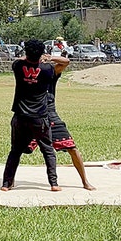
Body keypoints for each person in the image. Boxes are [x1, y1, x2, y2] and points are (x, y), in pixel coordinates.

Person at [27, 52, 96, 190]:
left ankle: (85, 181)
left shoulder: (50, 72)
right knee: (18, 149)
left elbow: (66, 62)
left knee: (72, 148)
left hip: (51, 115)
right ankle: (8, 181)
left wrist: (49, 58)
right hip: (32, 115)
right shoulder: (27, 73)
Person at [1, 39, 61, 192]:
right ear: (41, 53)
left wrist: (27, 56)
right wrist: (47, 58)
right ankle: (53, 183)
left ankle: (6, 184)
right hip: (39, 117)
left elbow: (18, 60)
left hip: (20, 116)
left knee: (15, 151)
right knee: (47, 150)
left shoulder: (18, 66)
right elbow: (65, 62)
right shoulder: (47, 69)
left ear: (26, 52)